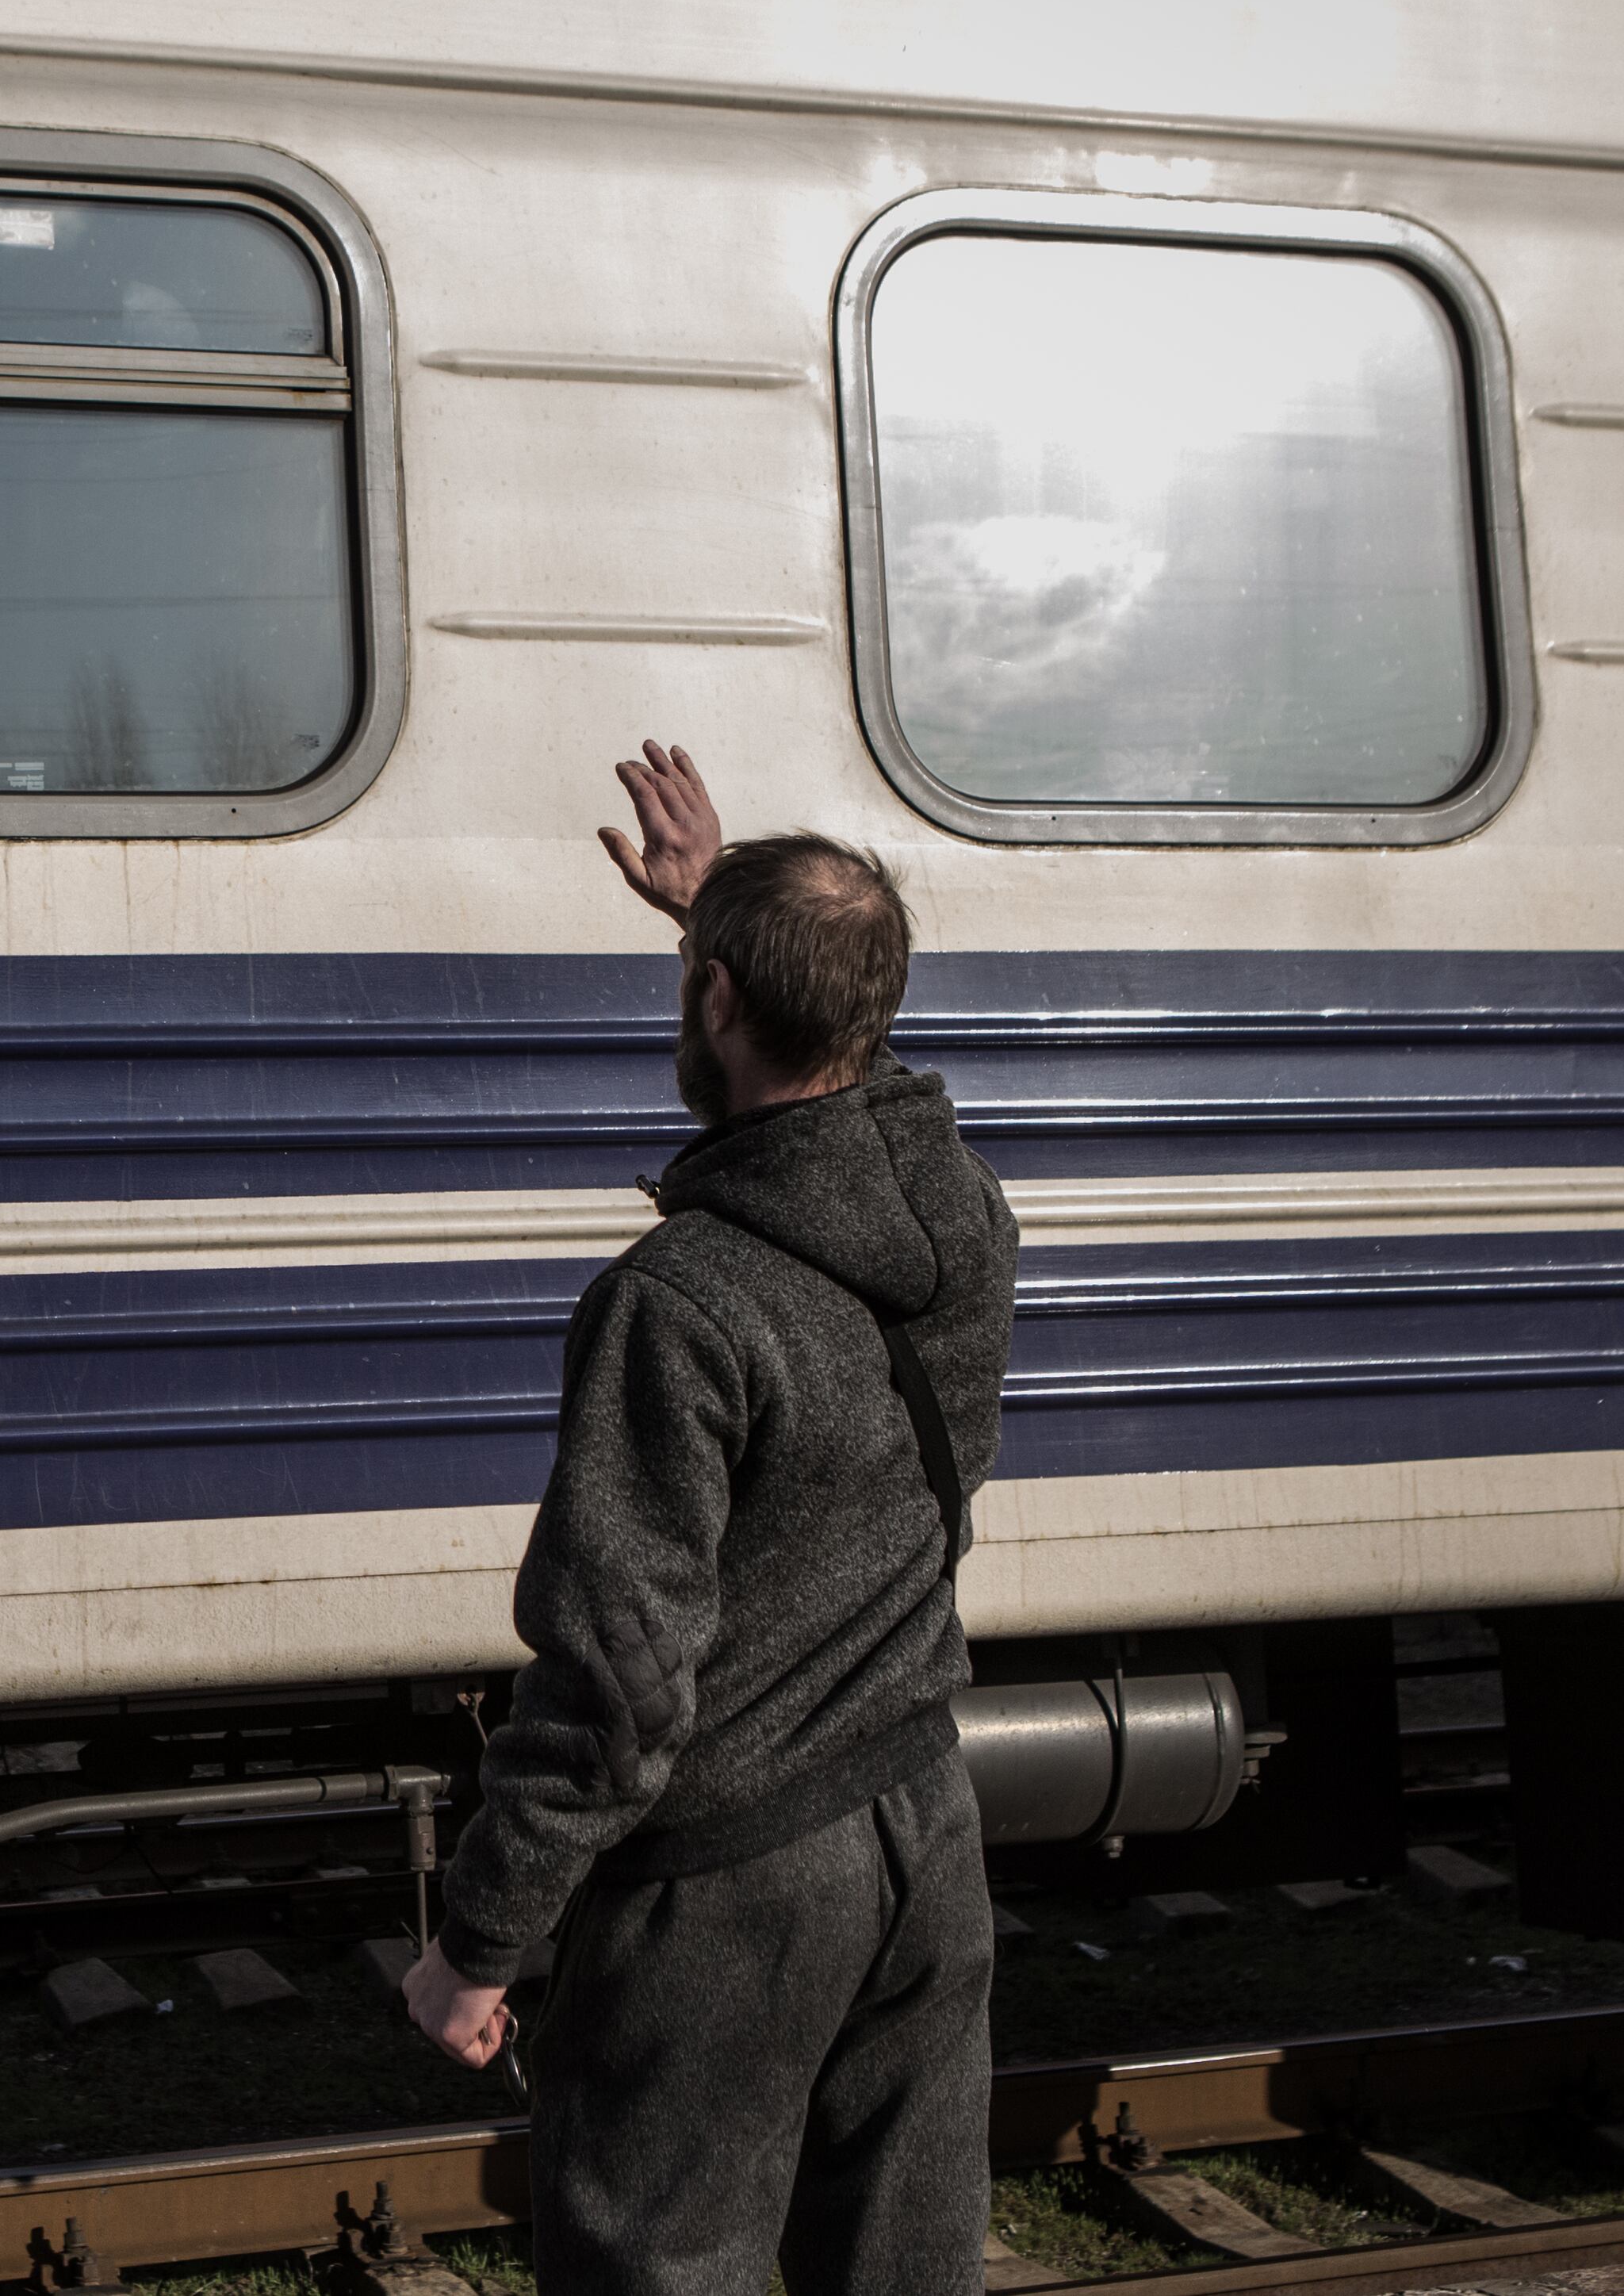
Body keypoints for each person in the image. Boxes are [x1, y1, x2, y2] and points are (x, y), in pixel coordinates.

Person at [402, 742, 1019, 2296]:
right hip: (920, 1831)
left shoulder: (677, 1304)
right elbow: (854, 1093)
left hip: (731, 1883)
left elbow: (617, 1675)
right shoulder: (958, 1214)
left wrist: (476, 1938)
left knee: (661, 2258)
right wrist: (723, 928)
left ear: (720, 1005)